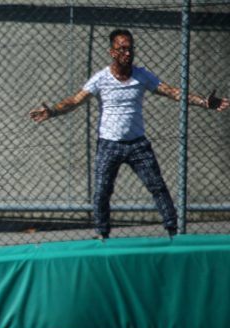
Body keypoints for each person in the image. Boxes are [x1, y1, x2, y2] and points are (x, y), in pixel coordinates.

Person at [29, 29, 229, 239]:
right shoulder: (101, 79)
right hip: (109, 145)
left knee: (157, 187)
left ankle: (173, 231)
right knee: (101, 192)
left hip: (138, 145)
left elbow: (172, 92)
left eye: (130, 49)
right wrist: (52, 111)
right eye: (122, 49)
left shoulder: (142, 76)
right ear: (112, 52)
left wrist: (204, 102)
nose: (127, 53)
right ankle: (102, 236)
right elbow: (75, 100)